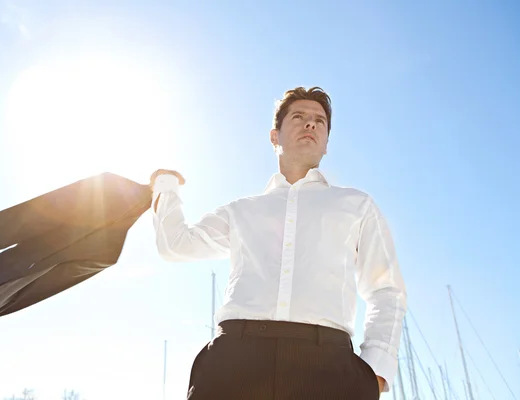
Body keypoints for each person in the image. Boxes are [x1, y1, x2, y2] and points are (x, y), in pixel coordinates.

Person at [149, 86, 407, 399]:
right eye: (299, 117)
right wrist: (166, 186)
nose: (310, 124)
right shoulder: (241, 210)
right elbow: (176, 244)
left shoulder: (357, 205)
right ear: (275, 137)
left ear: (326, 144)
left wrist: (376, 370)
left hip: (327, 366)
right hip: (233, 362)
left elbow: (385, 289)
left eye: (319, 121)